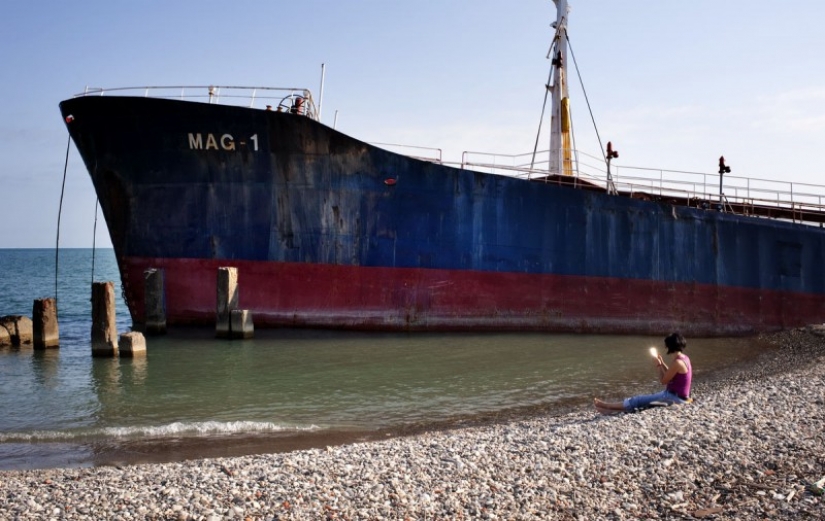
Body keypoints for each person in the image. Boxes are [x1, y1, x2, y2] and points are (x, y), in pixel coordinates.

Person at [594, 332, 692, 414]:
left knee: (638, 400)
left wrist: (658, 365)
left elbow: (663, 381)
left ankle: (607, 406)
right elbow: (671, 375)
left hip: (675, 397)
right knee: (644, 402)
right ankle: (611, 410)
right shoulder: (684, 358)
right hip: (678, 395)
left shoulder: (677, 362)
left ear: (669, 346)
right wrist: (662, 363)